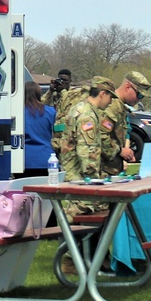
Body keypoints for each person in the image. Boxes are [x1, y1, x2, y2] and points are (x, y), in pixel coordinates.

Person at [58, 77, 118, 275]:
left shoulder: (80, 108)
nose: (110, 102)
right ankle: (73, 261)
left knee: (93, 217)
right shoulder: (87, 116)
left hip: (75, 176)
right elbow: (87, 152)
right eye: (110, 97)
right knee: (85, 216)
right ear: (102, 94)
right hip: (80, 180)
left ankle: (91, 260)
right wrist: (95, 182)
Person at [101, 71, 151, 176]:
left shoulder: (122, 108)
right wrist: (120, 151)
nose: (139, 99)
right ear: (128, 87)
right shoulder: (112, 106)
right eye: (139, 95)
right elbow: (101, 136)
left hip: (113, 170)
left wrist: (126, 153)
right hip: (104, 171)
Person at [21, 80, 55, 177]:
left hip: (24, 161)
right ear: (38, 93)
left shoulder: (18, 113)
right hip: (46, 159)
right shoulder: (50, 112)